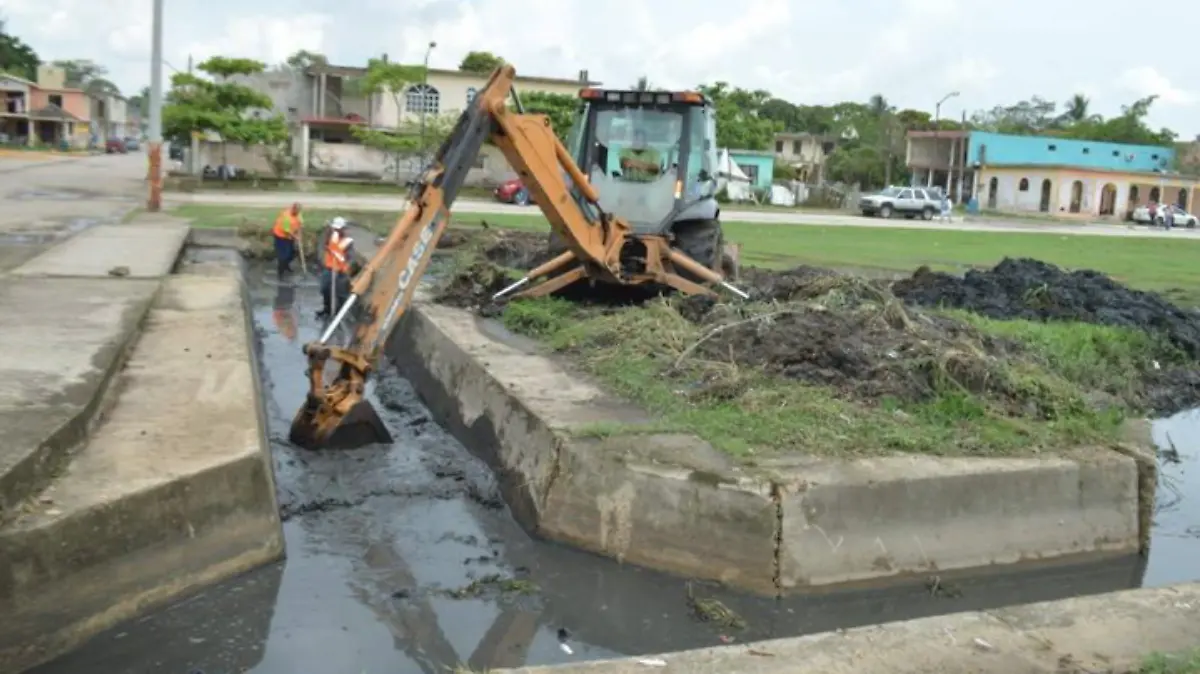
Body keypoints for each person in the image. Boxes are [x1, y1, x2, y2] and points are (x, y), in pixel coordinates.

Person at [317, 217, 354, 320]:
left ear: (344, 229)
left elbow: (350, 258)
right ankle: (327, 309)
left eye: (339, 229)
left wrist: (344, 265)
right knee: (325, 289)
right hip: (329, 269)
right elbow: (325, 243)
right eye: (335, 229)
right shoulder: (331, 237)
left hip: (341, 272)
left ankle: (340, 313)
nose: (336, 231)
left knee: (341, 294)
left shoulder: (348, 242)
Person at [271, 202, 303, 279]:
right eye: (297, 211)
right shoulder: (286, 216)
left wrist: (299, 235)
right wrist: (296, 237)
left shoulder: (298, 214)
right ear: (293, 209)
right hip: (280, 237)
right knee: (283, 256)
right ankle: (280, 273)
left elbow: (300, 225)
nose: (298, 213)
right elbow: (286, 231)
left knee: (292, 253)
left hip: (290, 237)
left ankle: (286, 265)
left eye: (299, 211)